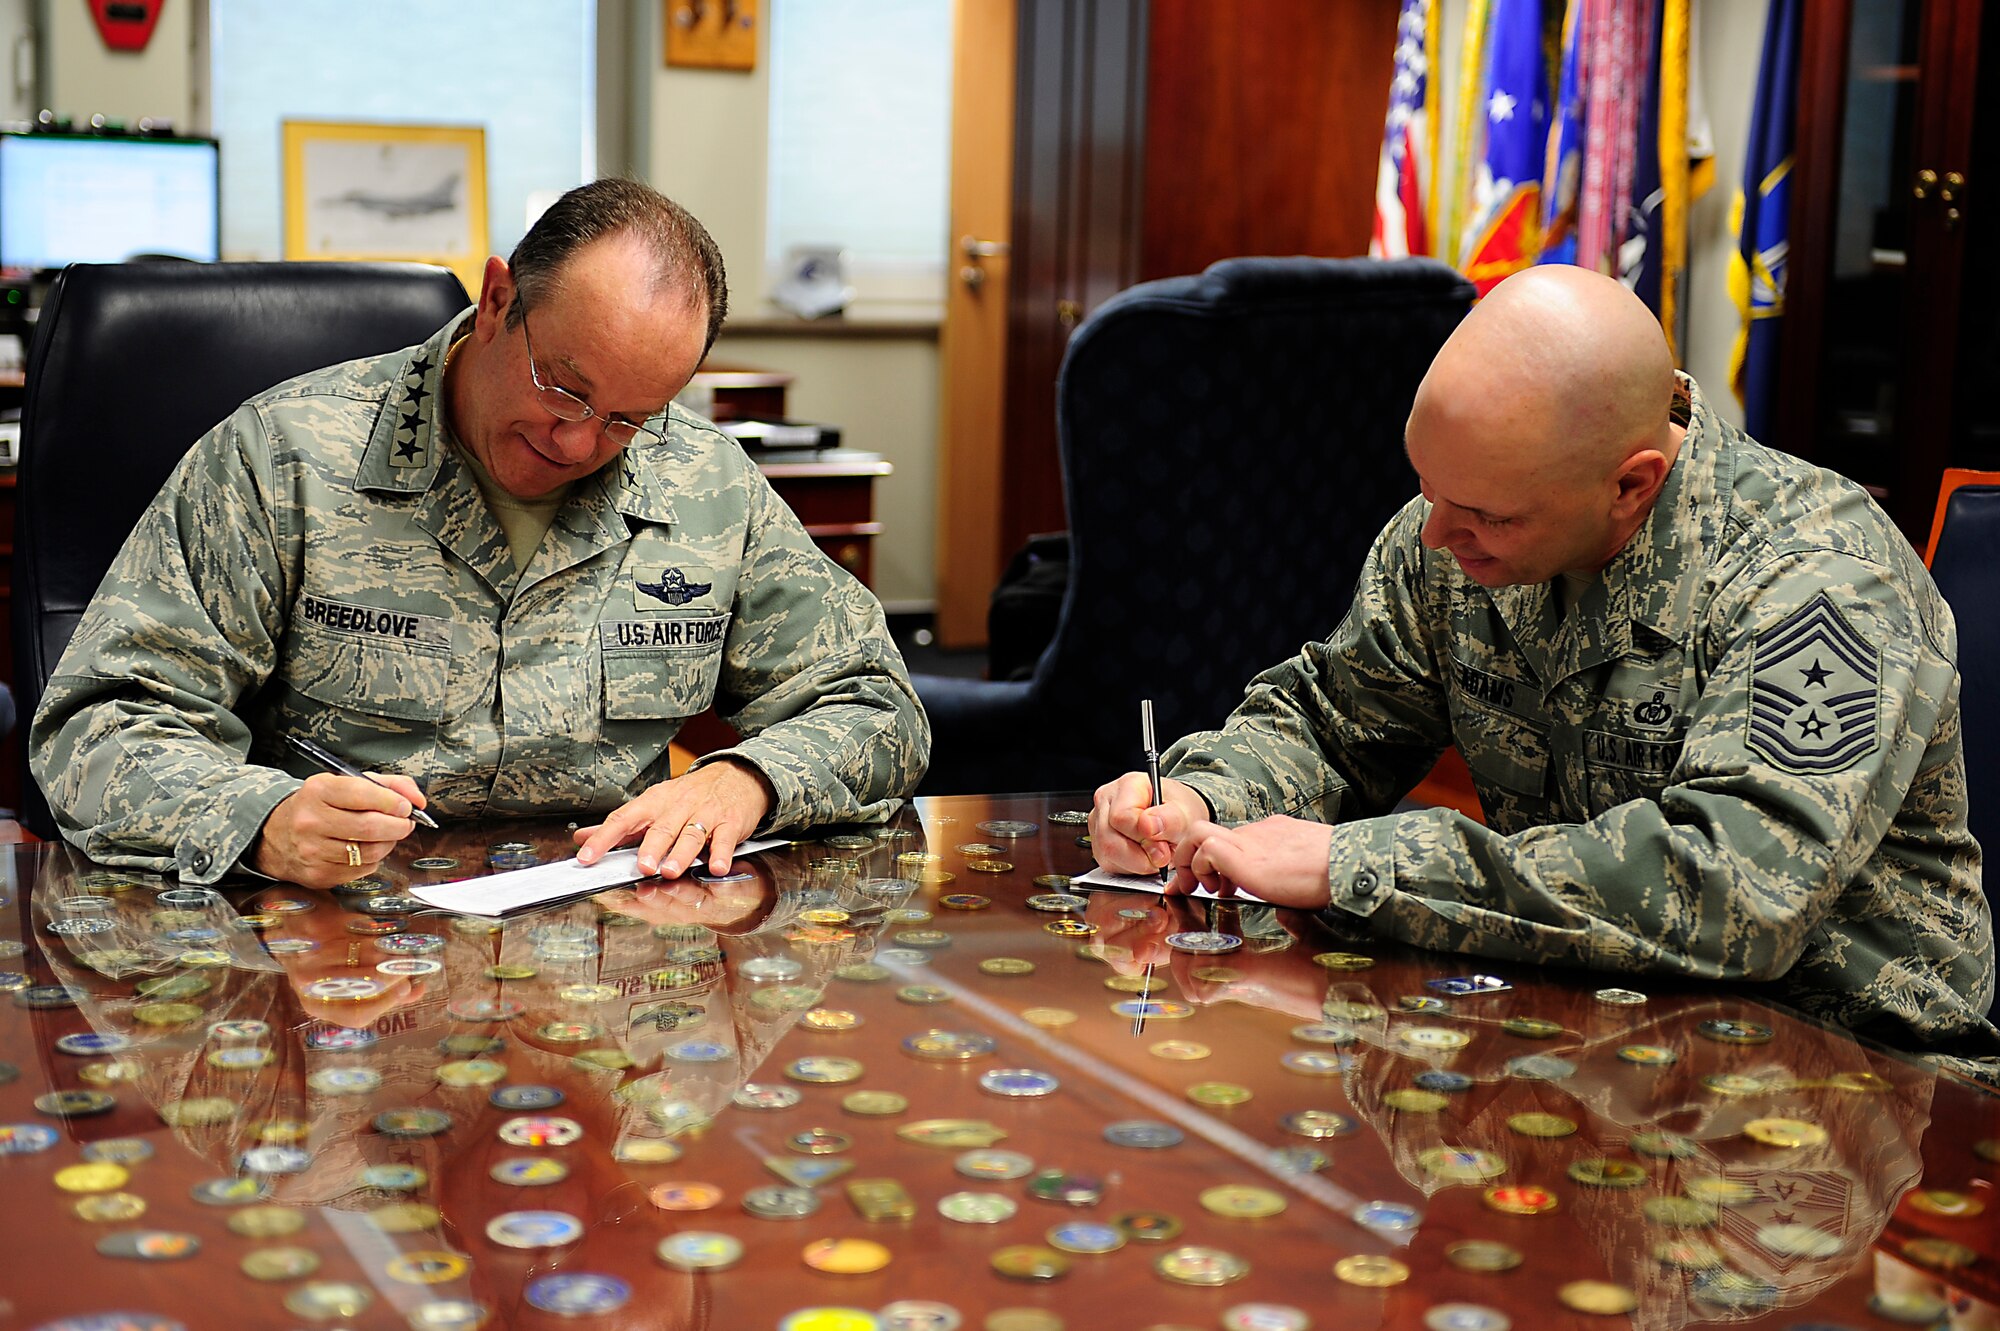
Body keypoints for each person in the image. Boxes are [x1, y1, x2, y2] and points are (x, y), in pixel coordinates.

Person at [1092, 264, 1997, 1055]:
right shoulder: (1459, 530)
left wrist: (1360, 862)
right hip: (1578, 1037)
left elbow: (1730, 893)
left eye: (1485, 513)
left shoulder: (1819, 578)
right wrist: (1201, 797)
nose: (1437, 533)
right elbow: (1336, 722)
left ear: (1630, 484)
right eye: (1426, 488)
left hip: (1845, 1086)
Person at [31, 178, 928, 890]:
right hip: (337, 969)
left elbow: (876, 704)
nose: (578, 442)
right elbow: (96, 725)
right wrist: (258, 819)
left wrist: (749, 780)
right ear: (499, 300)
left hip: (607, 960)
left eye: (627, 417)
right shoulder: (286, 458)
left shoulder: (703, 482)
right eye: (564, 388)